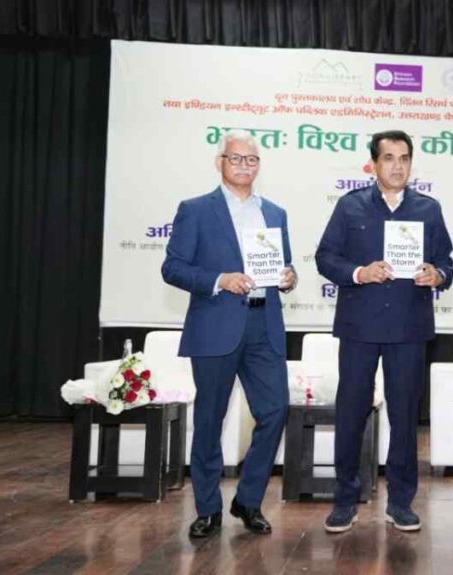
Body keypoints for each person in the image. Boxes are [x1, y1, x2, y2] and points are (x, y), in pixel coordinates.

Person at [316, 130, 453, 533]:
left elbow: (445, 261)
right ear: (373, 164)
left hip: (409, 328)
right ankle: (345, 500)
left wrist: (437, 274)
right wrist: (360, 272)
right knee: (351, 414)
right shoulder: (350, 205)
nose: (398, 166)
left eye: (404, 158)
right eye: (389, 158)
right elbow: (325, 257)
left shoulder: (428, 209)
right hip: (359, 327)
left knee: (405, 417)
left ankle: (401, 502)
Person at [162, 129, 297, 539]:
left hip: (264, 326)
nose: (244, 165)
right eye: (235, 158)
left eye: (251, 159)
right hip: (215, 326)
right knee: (209, 420)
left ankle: (248, 500)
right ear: (219, 162)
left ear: (259, 165)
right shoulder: (195, 210)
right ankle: (207, 508)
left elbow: (285, 265)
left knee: (275, 411)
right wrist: (220, 279)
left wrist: (289, 277)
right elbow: (173, 267)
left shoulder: (275, 213)